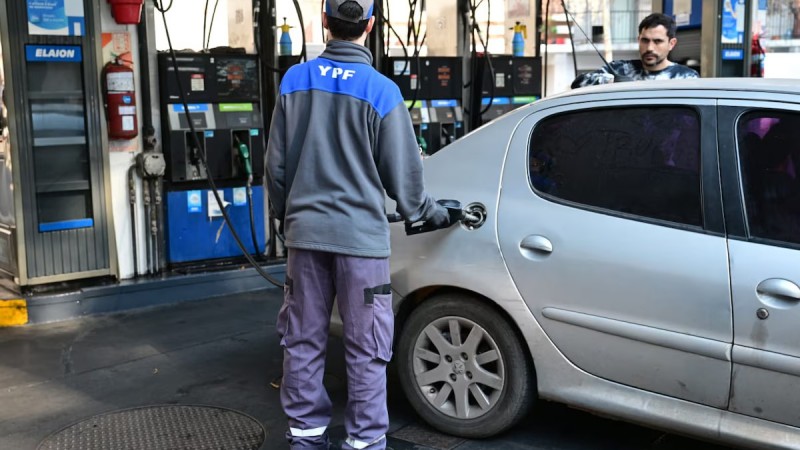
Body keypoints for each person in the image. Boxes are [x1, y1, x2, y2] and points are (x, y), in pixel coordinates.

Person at [265, 0, 453, 449]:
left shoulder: (294, 81)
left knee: (302, 340)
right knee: (367, 347)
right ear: (370, 26)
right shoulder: (382, 91)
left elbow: (275, 168)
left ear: (324, 22)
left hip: (305, 239)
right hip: (362, 246)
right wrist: (428, 212)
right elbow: (404, 178)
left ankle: (306, 438)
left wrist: (285, 218)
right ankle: (365, 442)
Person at [571, 13, 698, 89]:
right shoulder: (619, 70)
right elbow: (578, 83)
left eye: (657, 41)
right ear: (638, 40)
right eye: (645, 40)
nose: (649, 48)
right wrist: (612, 80)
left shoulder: (687, 78)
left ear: (671, 44)